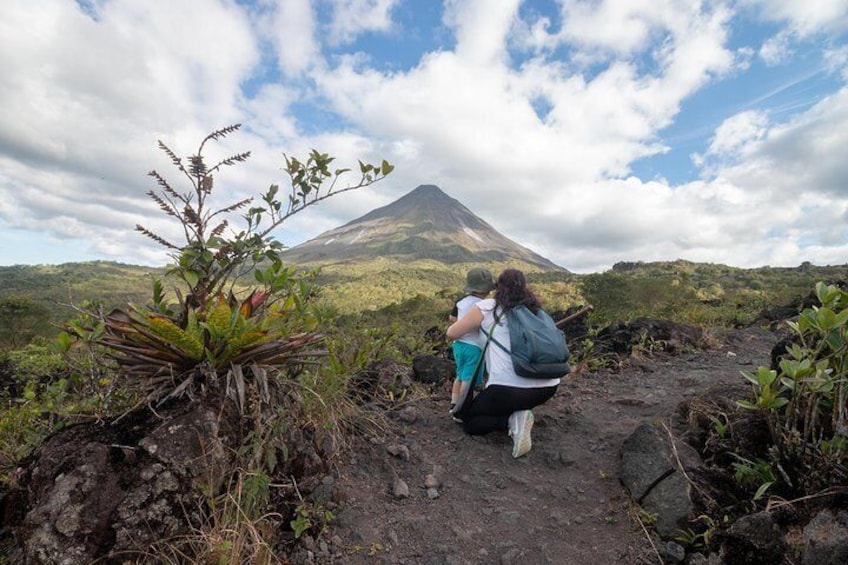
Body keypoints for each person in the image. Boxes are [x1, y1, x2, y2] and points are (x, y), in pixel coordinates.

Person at [446, 268, 560, 458]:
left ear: (498, 287)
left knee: (471, 422)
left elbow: (452, 333)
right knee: (511, 397)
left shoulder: (488, 307)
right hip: (548, 388)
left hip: (507, 389)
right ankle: (519, 412)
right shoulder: (536, 310)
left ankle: (511, 420)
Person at [448, 267, 496, 419]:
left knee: (460, 375)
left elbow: (452, 319)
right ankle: (462, 410)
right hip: (474, 346)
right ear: (487, 290)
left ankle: (454, 404)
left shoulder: (461, 302)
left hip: (458, 345)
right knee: (468, 380)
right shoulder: (486, 305)